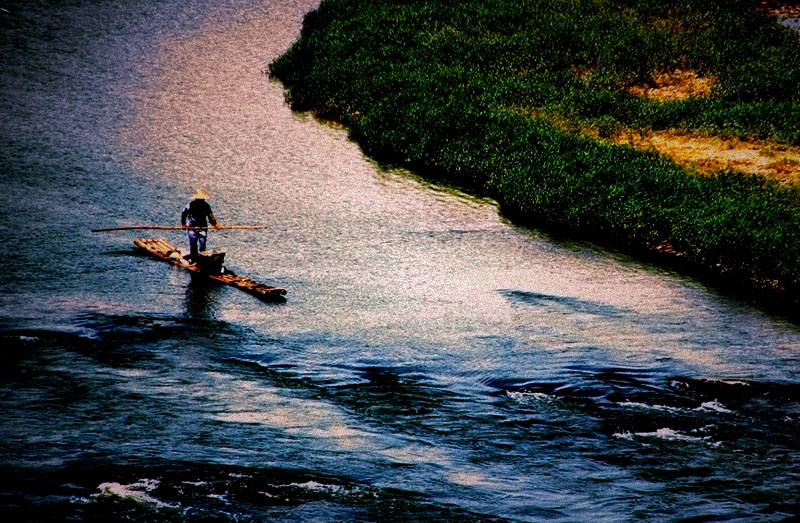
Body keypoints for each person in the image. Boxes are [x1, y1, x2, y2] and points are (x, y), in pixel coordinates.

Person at [181, 188, 219, 262]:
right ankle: (193, 259)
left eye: (202, 199)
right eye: (199, 199)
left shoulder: (206, 206)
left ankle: (202, 259)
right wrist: (183, 224)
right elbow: (184, 213)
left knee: (202, 244)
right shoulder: (190, 205)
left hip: (203, 228)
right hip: (192, 228)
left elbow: (210, 216)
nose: (200, 201)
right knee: (193, 244)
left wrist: (215, 224)